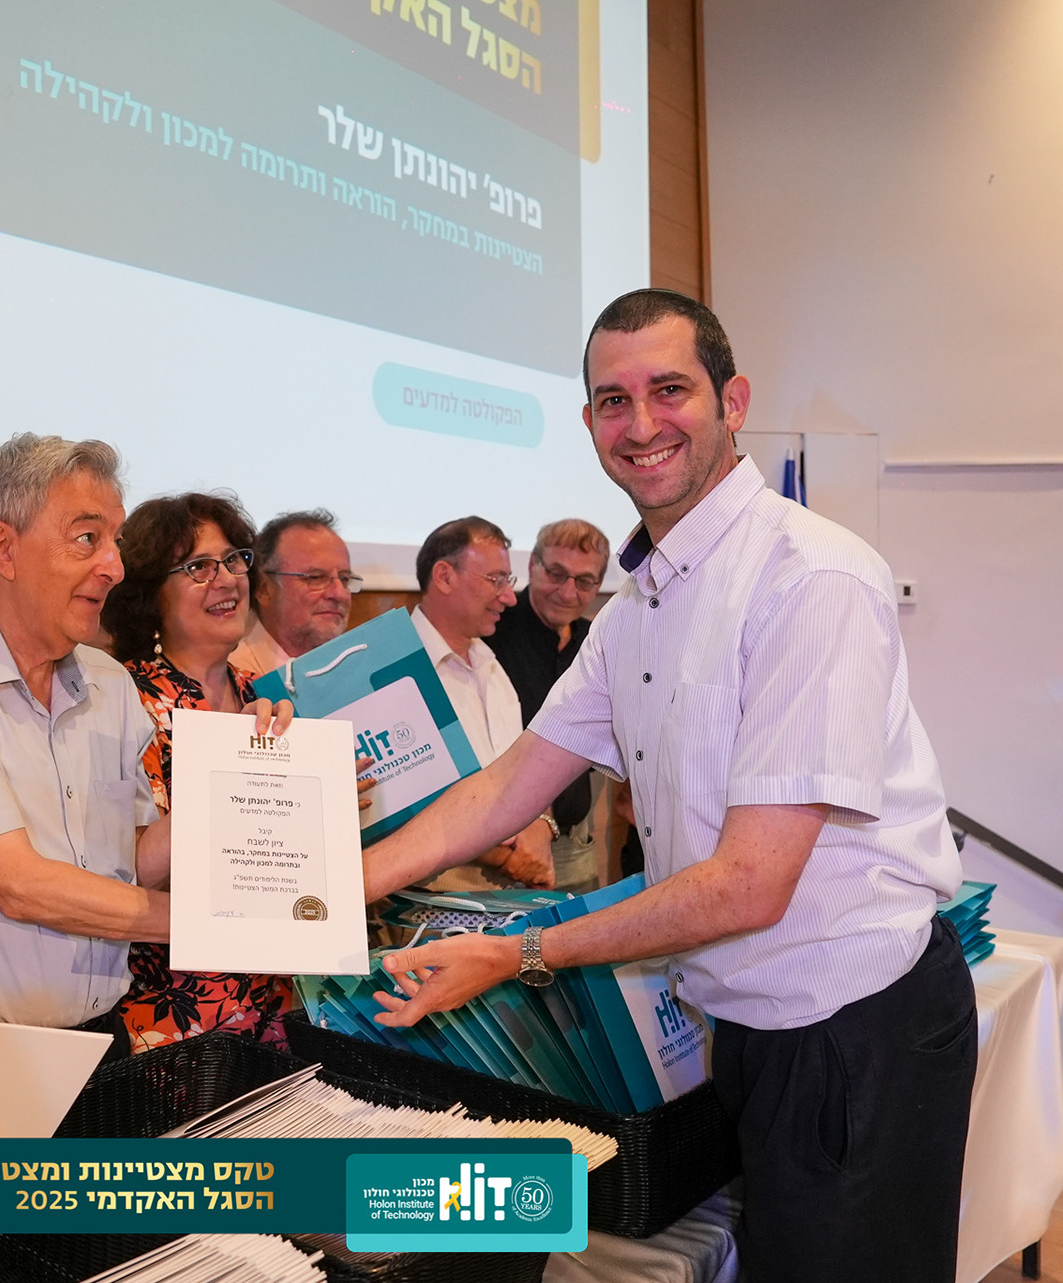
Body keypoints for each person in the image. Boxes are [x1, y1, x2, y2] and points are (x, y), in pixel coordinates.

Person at [365, 290, 975, 1283]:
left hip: (853, 1026)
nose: (641, 423)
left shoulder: (810, 576)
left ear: (733, 400)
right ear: (588, 423)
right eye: (614, 400)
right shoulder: (638, 606)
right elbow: (510, 782)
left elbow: (750, 884)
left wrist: (519, 952)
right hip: (753, 1024)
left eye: (670, 390)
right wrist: (337, 888)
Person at [0, 436, 289, 1057]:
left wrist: (249, 781)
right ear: (4, 548)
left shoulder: (109, 684)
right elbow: (20, 885)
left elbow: (130, 863)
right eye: (88, 538)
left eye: (115, 540)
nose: (115, 566)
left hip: (101, 1038)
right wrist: (225, 927)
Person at [99, 492, 296, 1052]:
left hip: (274, 998)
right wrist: (237, 784)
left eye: (234, 560)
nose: (227, 579)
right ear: (149, 595)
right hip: (174, 1013)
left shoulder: (262, 696)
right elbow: (125, 871)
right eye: (198, 567)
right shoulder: (123, 699)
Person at [410, 516, 555, 890]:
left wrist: (542, 827)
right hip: (433, 897)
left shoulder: (491, 665)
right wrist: (508, 858)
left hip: (504, 896)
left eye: (509, 581)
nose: (509, 597)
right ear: (444, 577)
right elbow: (402, 807)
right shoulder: (397, 670)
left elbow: (524, 765)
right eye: (495, 580)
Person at [488, 518, 614, 885]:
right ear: (533, 565)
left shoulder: (598, 642)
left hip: (575, 846)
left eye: (584, 581)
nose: (568, 592)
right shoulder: (492, 631)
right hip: (500, 849)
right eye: (556, 574)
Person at [230, 508, 362, 675]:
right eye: (315, 578)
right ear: (264, 589)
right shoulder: (230, 681)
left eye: (344, 579)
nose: (339, 594)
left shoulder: (357, 671)